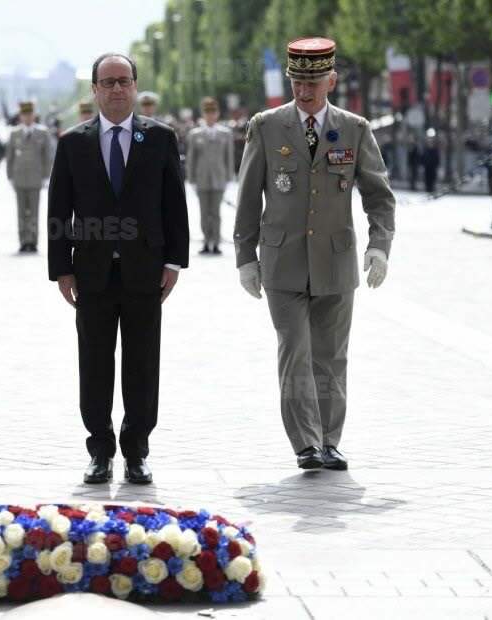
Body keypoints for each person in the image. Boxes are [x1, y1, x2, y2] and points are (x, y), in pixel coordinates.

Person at [234, 37, 395, 471]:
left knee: (331, 355)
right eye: (297, 81)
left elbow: (379, 197)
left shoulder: (356, 128)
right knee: (295, 350)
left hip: (336, 261)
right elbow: (249, 197)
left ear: (332, 80)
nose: (304, 91)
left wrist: (379, 247)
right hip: (282, 261)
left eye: (313, 82)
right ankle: (305, 443)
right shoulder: (266, 127)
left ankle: (329, 440)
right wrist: (245, 256)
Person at [47, 53, 189, 485]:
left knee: (143, 361)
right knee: (94, 361)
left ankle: (137, 450)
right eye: (106, 82)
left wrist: (173, 260)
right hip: (90, 272)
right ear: (93, 90)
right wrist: (61, 269)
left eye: (123, 81)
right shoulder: (73, 142)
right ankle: (99, 449)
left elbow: (174, 205)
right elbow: (58, 209)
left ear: (134, 86)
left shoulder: (160, 138)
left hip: (145, 270)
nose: (115, 89)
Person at [186, 97, 234, 255]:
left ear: (217, 113)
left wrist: (229, 177)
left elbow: (229, 157)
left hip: (219, 178)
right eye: (207, 112)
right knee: (204, 212)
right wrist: (191, 179)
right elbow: (191, 158)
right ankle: (207, 241)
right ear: (203, 114)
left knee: (216, 213)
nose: (210, 115)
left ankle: (216, 242)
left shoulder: (225, 133)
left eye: (213, 112)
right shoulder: (195, 134)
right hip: (201, 178)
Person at [7, 101, 52, 253]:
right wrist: (10, 176)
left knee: (33, 211)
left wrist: (46, 176)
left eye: (29, 114)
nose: (27, 117)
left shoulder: (42, 132)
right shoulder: (14, 133)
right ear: (20, 116)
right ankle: (22, 241)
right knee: (21, 212)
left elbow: (47, 156)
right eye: (24, 114)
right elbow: (10, 156)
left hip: (35, 178)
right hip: (19, 178)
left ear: (34, 115)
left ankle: (32, 241)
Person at [422, 129, 441, 194]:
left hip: (433, 166)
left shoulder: (435, 148)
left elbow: (437, 157)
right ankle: (427, 190)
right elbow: (423, 157)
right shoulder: (425, 147)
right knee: (427, 179)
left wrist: (437, 164)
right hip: (427, 166)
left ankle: (431, 190)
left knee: (432, 178)